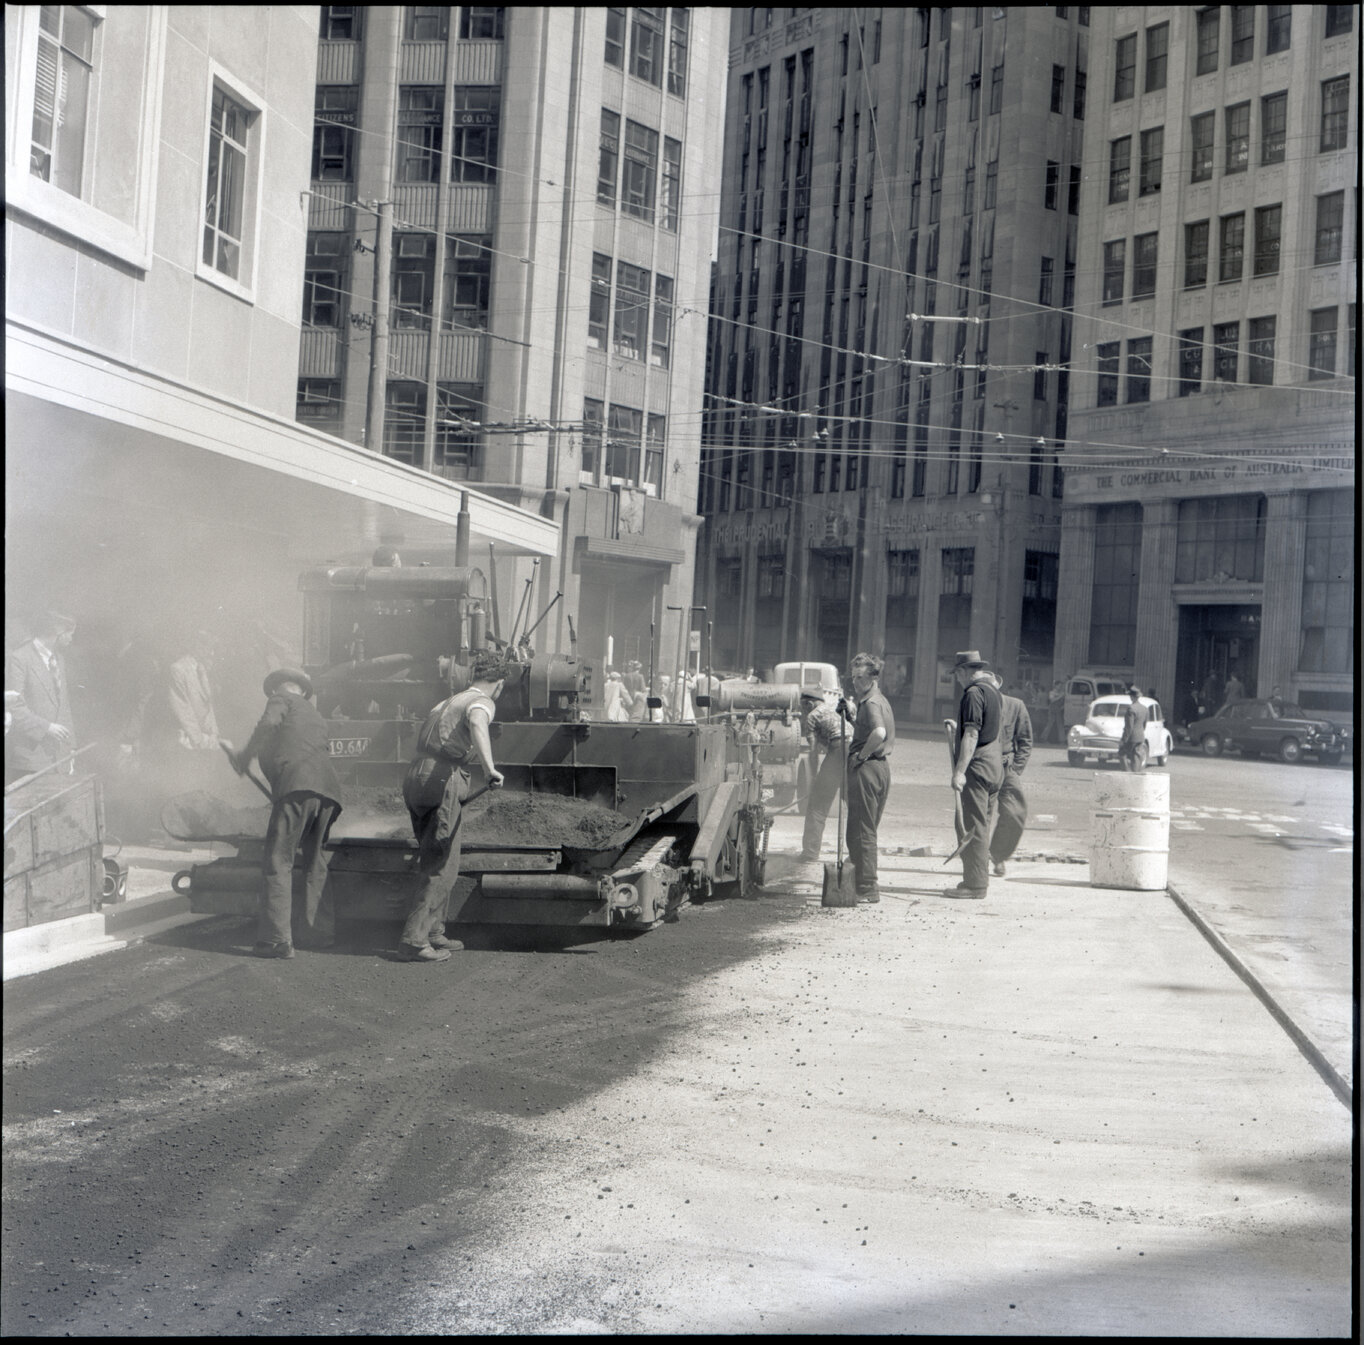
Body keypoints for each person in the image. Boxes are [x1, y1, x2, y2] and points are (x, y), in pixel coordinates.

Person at [224, 668, 345, 959]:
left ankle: (275, 940)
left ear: (281, 688)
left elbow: (268, 725)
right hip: (328, 794)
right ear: (303, 690)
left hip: (297, 789)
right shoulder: (313, 714)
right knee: (315, 863)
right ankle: (318, 933)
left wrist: (242, 757)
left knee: (279, 860)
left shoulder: (281, 700)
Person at [399, 650, 508, 963]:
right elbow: (477, 722)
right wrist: (489, 769)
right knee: (443, 863)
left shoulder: (447, 701)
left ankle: (434, 931)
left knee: (432, 854)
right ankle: (413, 940)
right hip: (443, 777)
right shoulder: (482, 702)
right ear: (498, 683)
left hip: (417, 775)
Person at [949, 650, 1004, 899]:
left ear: (963, 671)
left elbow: (972, 734)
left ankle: (976, 885)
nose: (957, 680)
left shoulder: (972, 693)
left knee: (974, 827)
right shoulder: (993, 691)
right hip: (994, 765)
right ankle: (975, 880)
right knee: (983, 824)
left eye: (957, 674)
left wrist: (959, 772)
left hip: (978, 765)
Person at [841, 652, 895, 903]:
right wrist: (850, 718)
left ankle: (867, 887)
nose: (855, 682)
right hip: (879, 768)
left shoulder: (871, 702)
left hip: (868, 768)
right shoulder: (879, 700)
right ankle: (861, 881)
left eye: (860, 677)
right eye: (852, 677)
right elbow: (867, 731)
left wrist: (861, 757)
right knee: (863, 828)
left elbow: (879, 733)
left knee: (862, 830)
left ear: (873, 676)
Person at [5, 610, 77, 782]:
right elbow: (14, 706)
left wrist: (71, 747)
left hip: (60, 757)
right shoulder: (19, 658)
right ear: (57, 632)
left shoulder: (59, 659)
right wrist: (46, 728)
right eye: (70, 634)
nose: (71, 639)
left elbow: (64, 706)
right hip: (31, 759)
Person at [989, 673, 1033, 879]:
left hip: (1006, 767)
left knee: (1015, 813)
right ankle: (977, 862)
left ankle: (998, 855)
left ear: (999, 687)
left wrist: (1016, 768)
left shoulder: (1015, 706)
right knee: (979, 816)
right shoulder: (973, 704)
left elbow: (1025, 740)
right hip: (981, 768)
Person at [797, 688, 848, 863]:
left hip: (838, 749)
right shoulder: (832, 708)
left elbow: (812, 754)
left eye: (803, 707)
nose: (802, 712)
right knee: (852, 804)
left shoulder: (812, 717)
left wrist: (814, 782)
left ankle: (810, 853)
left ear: (809, 704)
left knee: (817, 806)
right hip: (855, 749)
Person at [1118, 684, 1150, 772]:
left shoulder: (1131, 709)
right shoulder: (1145, 709)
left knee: (1122, 753)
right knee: (1136, 756)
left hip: (1131, 738)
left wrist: (1123, 740)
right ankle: (1136, 774)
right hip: (1140, 737)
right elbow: (1144, 725)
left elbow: (1129, 727)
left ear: (1132, 697)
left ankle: (1127, 774)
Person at [1045, 679, 1065, 745]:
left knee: (1060, 725)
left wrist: (1062, 707)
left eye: (1061, 686)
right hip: (1052, 709)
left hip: (1058, 709)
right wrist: (1060, 696)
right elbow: (1052, 700)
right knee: (1050, 723)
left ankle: (1062, 740)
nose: (1060, 687)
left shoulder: (1062, 693)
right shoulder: (1052, 692)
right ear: (1055, 686)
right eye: (1059, 685)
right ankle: (1043, 738)